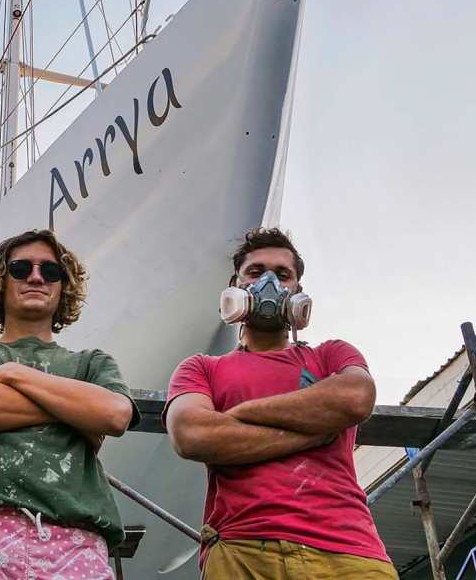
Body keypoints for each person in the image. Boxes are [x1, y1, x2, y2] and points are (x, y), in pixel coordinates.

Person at [163, 227, 397, 579]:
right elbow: (191, 434)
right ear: (235, 285)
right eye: (255, 272)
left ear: (297, 292)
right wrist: (315, 430)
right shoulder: (201, 368)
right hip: (242, 551)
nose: (269, 282)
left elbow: (356, 397)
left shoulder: (332, 354)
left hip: (349, 553)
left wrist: (237, 416)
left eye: (283, 275)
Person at [0, 229, 139, 580]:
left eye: (50, 271)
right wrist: (75, 409)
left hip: (73, 538)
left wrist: (10, 375)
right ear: (0, 283)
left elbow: (114, 414)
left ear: (62, 286)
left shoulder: (92, 362)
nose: (36, 276)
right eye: (21, 269)